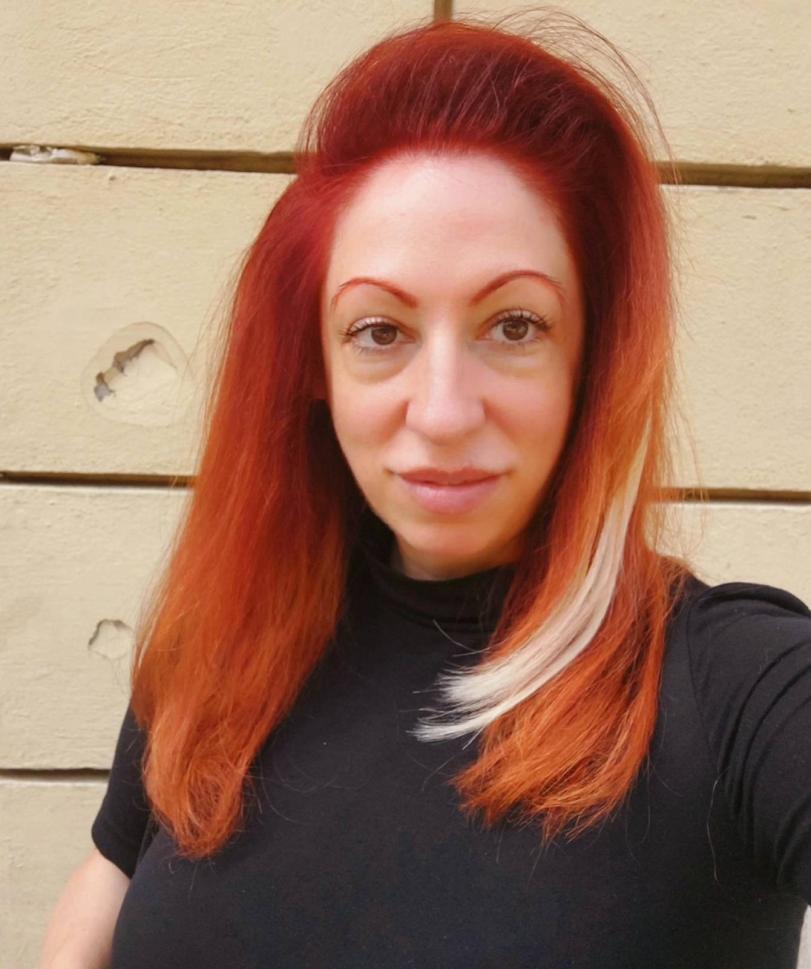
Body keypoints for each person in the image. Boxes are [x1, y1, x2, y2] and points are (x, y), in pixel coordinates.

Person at [39, 9, 811, 969]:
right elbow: (107, 885)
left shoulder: (734, 684)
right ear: (313, 365)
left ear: (591, 359)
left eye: (515, 325)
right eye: (379, 331)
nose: (443, 411)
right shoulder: (221, 650)